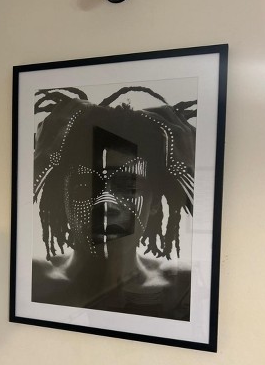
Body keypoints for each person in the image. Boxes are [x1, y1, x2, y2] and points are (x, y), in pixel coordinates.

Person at [32, 86, 196, 320]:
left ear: (154, 203)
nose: (106, 204)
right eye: (84, 187)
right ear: (62, 200)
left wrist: (186, 172)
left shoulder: (182, 286)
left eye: (127, 188)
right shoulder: (33, 278)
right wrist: (39, 165)